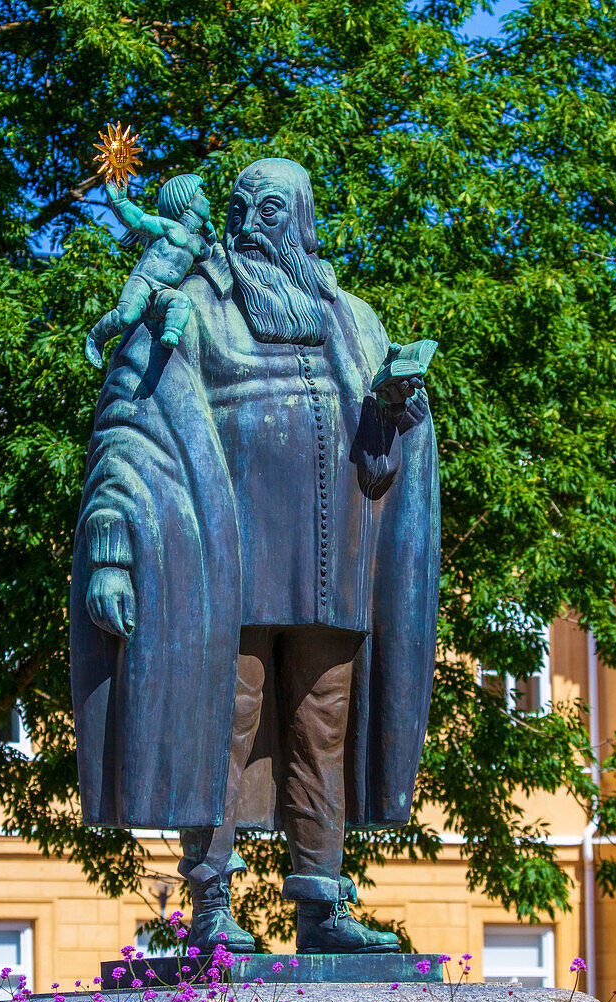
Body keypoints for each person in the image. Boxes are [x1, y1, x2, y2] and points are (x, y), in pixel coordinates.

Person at [71, 158, 440, 955]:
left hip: (330, 565)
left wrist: (394, 414)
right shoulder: (193, 302)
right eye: (237, 207)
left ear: (301, 220)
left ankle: (321, 904)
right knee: (221, 725)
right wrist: (109, 539)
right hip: (218, 563)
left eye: (268, 209)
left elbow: (379, 470)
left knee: (323, 727)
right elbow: (128, 418)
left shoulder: (355, 321)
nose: (246, 223)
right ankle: (211, 905)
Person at [84, 174, 216, 368]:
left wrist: (211, 235)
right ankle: (96, 336)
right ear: (186, 201)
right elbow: (138, 220)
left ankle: (171, 334)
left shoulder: (198, 242)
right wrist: (119, 201)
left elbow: (210, 258)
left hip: (164, 292)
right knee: (126, 315)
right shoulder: (167, 227)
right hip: (144, 283)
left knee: (181, 302)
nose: (208, 201)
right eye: (202, 195)